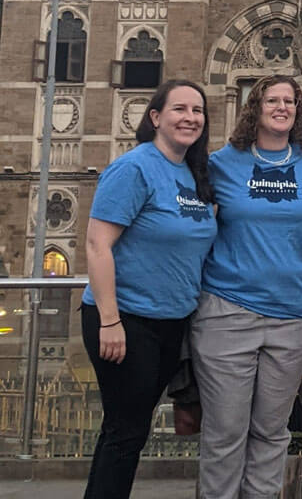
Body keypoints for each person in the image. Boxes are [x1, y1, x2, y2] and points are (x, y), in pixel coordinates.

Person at [81, 80, 217, 499]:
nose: (189, 118)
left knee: (129, 430)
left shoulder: (194, 175)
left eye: (197, 111)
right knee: (126, 432)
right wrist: (110, 320)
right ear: (156, 118)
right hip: (127, 319)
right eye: (179, 109)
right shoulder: (135, 167)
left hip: (170, 323)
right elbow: (96, 243)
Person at [191, 75, 302, 499]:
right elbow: (192, 228)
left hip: (293, 317)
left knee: (271, 434)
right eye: (272, 100)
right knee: (225, 434)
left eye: (289, 101)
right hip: (228, 312)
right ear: (255, 107)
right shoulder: (223, 163)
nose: (281, 107)